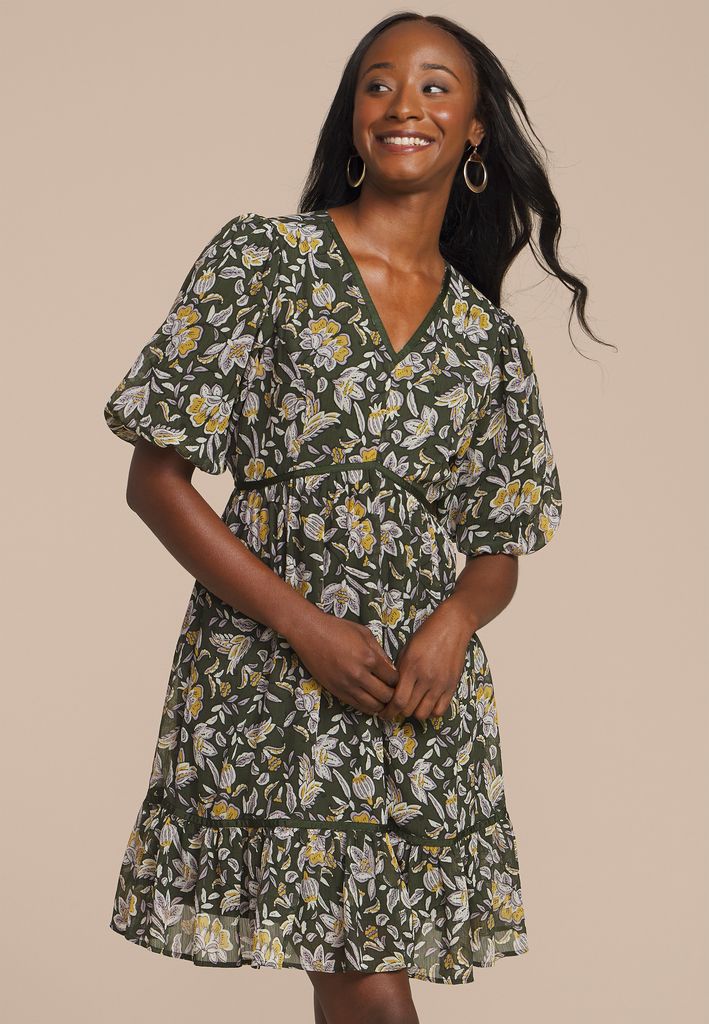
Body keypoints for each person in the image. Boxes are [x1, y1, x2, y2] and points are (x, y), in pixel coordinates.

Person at [103, 13, 603, 1024]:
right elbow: (155, 480)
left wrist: (456, 620)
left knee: (357, 990)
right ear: (352, 117)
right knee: (370, 995)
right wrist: (303, 625)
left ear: (473, 131)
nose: (404, 104)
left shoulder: (488, 342)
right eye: (378, 84)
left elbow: (499, 548)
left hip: (414, 701)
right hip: (272, 680)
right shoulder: (263, 260)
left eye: (434, 86)